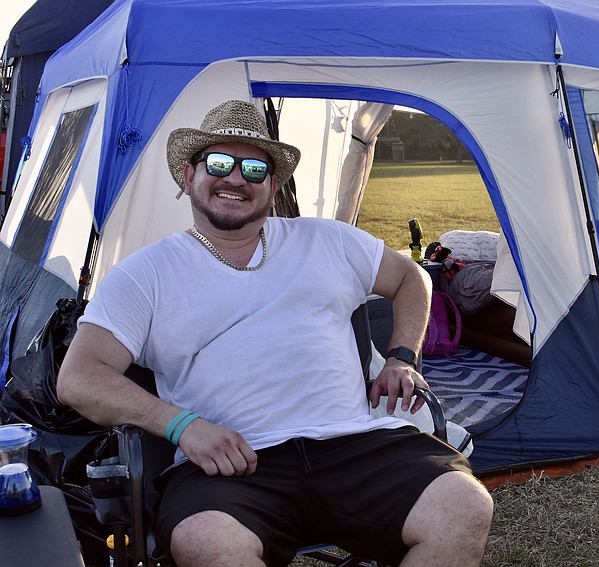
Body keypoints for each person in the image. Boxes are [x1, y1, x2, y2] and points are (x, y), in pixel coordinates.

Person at [57, 99, 493, 567]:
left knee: (463, 506)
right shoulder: (144, 275)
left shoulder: (328, 241)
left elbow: (413, 277)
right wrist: (182, 426)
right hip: (230, 462)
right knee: (206, 541)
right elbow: (79, 378)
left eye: (254, 168)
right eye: (219, 163)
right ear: (188, 176)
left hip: (355, 442)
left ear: (273, 185)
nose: (235, 178)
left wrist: (401, 356)